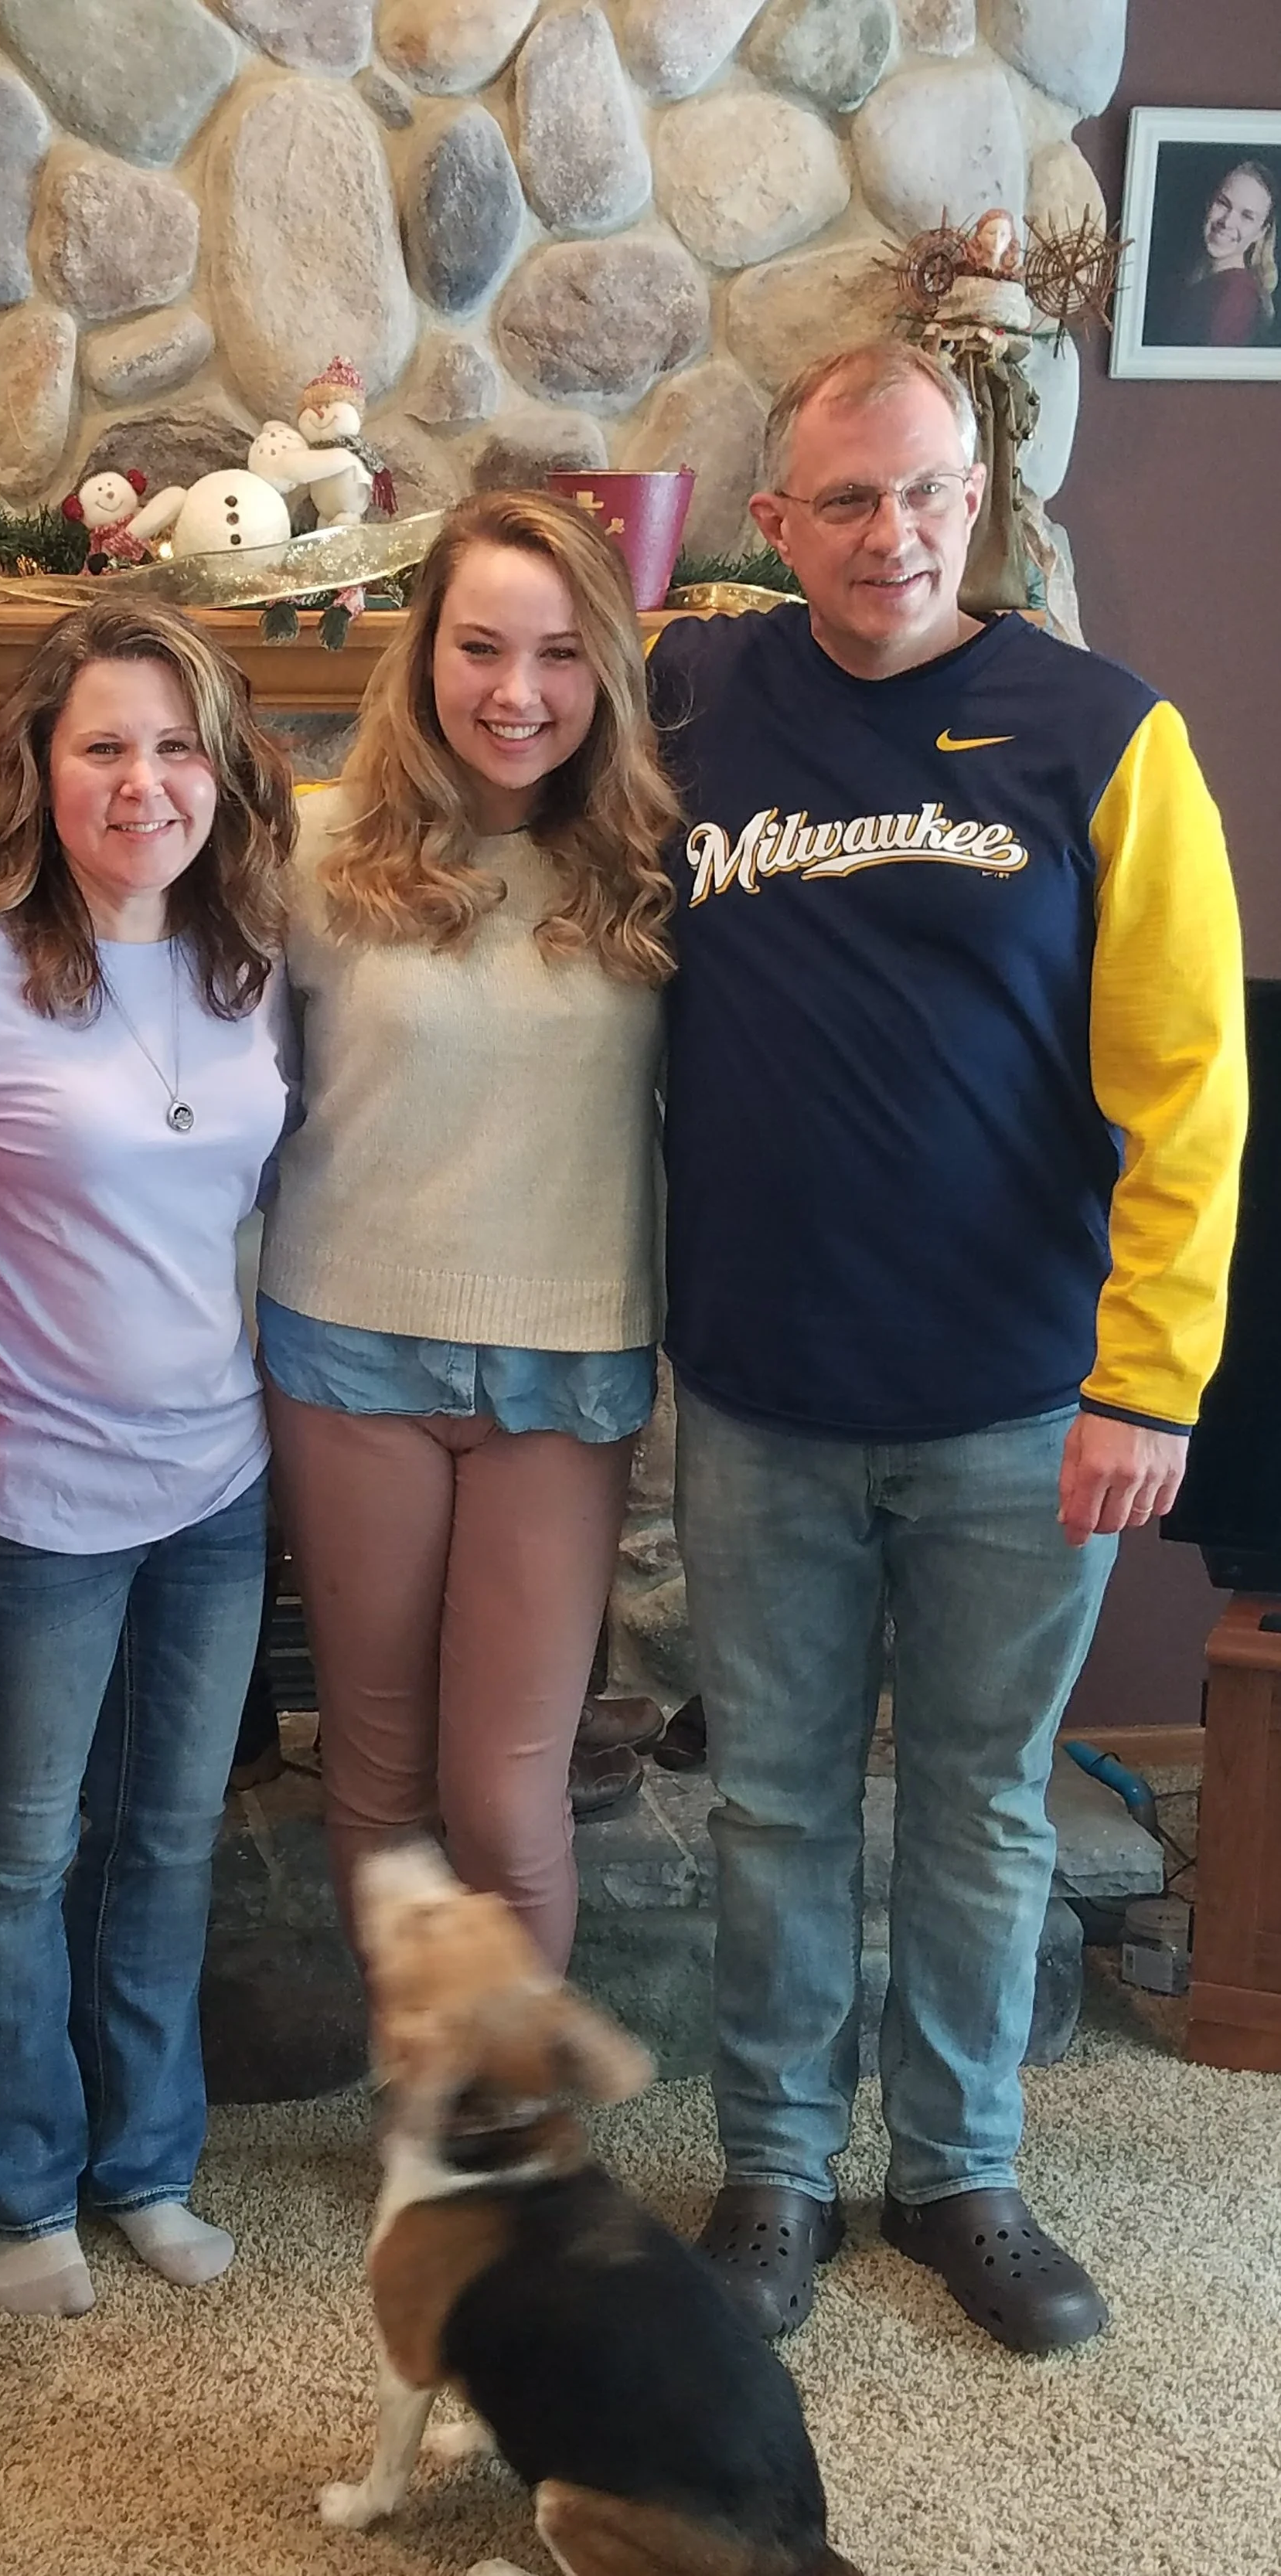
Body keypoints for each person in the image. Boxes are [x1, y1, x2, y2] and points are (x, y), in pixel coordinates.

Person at [646, 340, 1246, 2352]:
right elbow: (484, 769)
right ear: (773, 524)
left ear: (974, 497)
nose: (887, 534)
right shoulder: (691, 701)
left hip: (1022, 1408)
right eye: (843, 500)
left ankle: (958, 2172)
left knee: (981, 1802)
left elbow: (1188, 1084)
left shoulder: (1097, 732)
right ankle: (776, 2167)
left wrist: (1148, 1376)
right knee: (774, 1805)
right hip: (755, 1393)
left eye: (922, 493)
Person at [0, 597, 294, 2321]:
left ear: (220, 772)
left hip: (216, 1483)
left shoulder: (248, 966)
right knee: (14, 1854)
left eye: (175, 744)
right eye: (103, 745)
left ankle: (145, 2162)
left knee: (171, 1838)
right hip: (25, 1501)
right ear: (38, 771)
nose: (144, 782)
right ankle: (19, 2181)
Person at [258, 488, 677, 1972]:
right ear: (422, 652)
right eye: (481, 646)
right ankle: (433, 2132)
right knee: (375, 1778)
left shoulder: (657, 871)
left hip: (566, 1362)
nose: (515, 692)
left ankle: (516, 2155)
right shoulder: (307, 858)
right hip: (348, 1343)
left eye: (559, 654)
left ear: (606, 671)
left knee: (505, 1799)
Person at [1154, 158, 1276, 347]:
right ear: (1209, 203)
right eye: (1223, 203)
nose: (1227, 222)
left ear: (1260, 232)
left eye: (1247, 216)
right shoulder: (1185, 280)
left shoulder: (1238, 295)